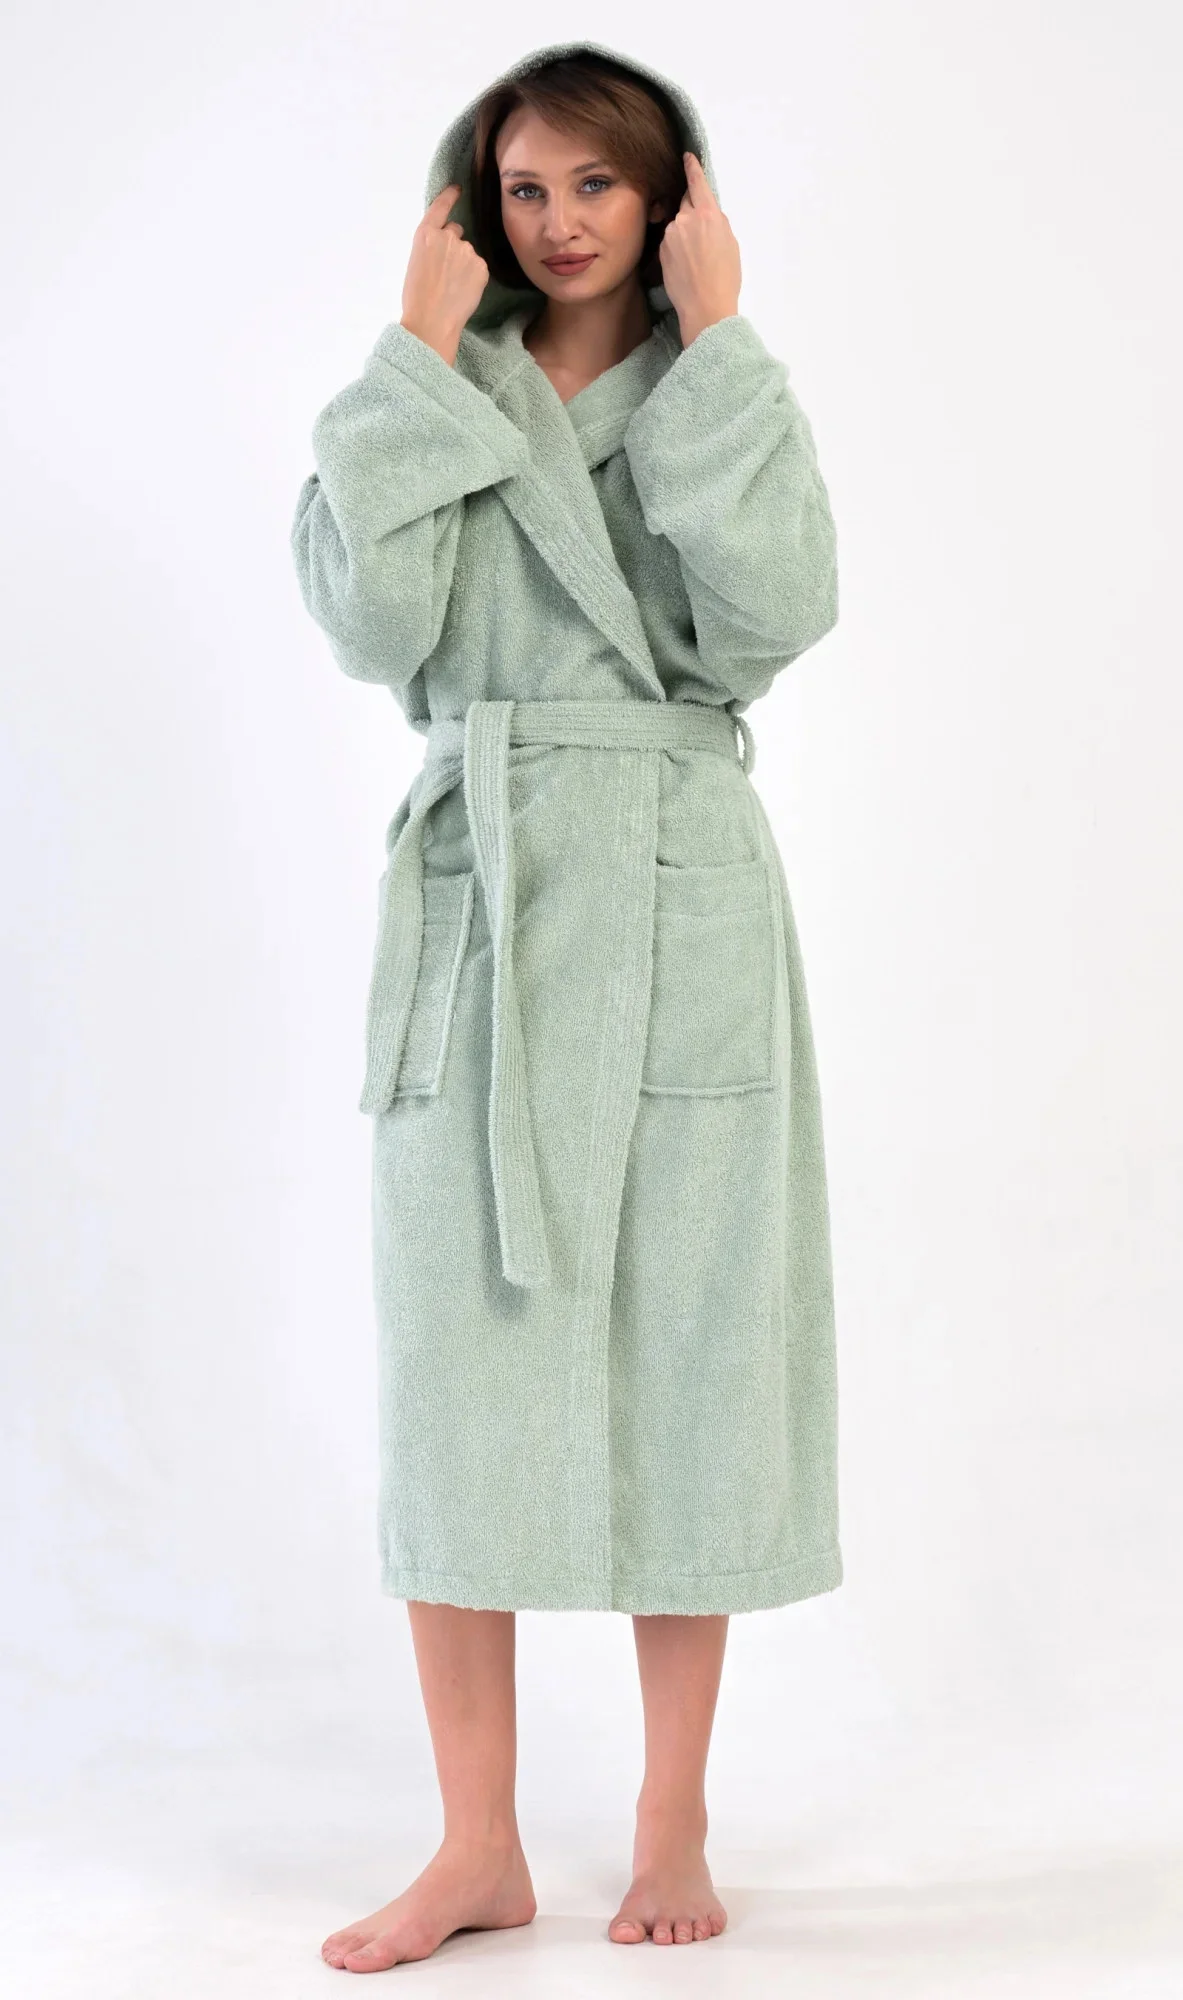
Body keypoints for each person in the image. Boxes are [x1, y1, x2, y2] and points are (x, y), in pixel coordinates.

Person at [291, 38, 842, 1972]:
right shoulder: (437, 391)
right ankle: (476, 1846)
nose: (560, 221)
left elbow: (773, 617)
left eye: (597, 183)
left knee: (687, 1359)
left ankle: (670, 1810)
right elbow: (377, 629)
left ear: (669, 196)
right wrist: (413, 351)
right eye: (523, 188)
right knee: (461, 1380)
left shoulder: (715, 389)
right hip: (491, 904)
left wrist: (725, 337)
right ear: (473, 207)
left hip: (680, 897)